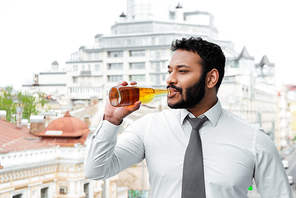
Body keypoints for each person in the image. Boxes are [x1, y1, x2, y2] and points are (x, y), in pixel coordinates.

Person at [84, 37, 293, 197]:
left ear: (211, 78)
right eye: (169, 71)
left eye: (182, 71)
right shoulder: (147, 128)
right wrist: (111, 121)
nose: (170, 79)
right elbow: (96, 170)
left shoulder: (255, 139)